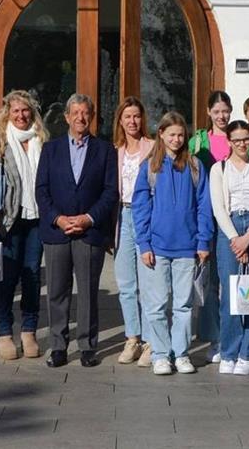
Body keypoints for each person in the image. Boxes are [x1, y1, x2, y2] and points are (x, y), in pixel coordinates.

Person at [36, 94, 118, 368]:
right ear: (67, 117)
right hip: (56, 231)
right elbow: (41, 190)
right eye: (76, 113)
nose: (80, 117)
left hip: (89, 232)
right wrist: (58, 219)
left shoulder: (105, 150)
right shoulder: (51, 149)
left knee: (88, 292)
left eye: (85, 113)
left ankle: (87, 346)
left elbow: (110, 192)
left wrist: (88, 218)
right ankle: (58, 346)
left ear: (91, 117)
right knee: (57, 291)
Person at [132, 111, 213, 376]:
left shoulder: (195, 166)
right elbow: (140, 208)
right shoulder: (150, 167)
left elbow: (204, 205)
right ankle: (160, 354)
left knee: (183, 305)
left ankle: (181, 353)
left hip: (187, 247)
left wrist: (203, 240)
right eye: (172, 134)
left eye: (181, 135)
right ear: (161, 135)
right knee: (156, 306)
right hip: (157, 247)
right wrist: (144, 244)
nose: (177, 139)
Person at [0, 90, 48, 361]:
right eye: (15, 111)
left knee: (33, 276)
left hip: (37, 219)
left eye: (25, 110)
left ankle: (29, 331)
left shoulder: (42, 139)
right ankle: (4, 332)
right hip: (7, 221)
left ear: (32, 112)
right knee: (7, 278)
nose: (21, 115)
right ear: (7, 113)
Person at [209, 120, 249, 375]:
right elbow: (218, 208)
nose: (242, 144)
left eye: (245, 139)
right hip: (230, 229)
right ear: (229, 142)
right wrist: (236, 238)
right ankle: (229, 351)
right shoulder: (219, 169)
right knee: (230, 294)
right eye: (236, 140)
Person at [188, 90, 232, 362]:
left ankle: (229, 335)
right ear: (208, 112)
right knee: (208, 280)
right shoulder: (197, 142)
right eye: (216, 111)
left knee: (228, 279)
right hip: (205, 216)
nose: (221, 116)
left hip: (231, 216)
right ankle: (212, 337)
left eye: (225, 111)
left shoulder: (237, 137)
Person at [113, 97, 155, 366]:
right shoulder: (115, 151)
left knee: (148, 283)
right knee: (126, 283)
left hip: (145, 216)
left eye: (136, 116)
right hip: (122, 216)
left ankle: (151, 340)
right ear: (120, 120)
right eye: (127, 116)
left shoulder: (152, 147)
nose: (132, 121)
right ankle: (132, 338)